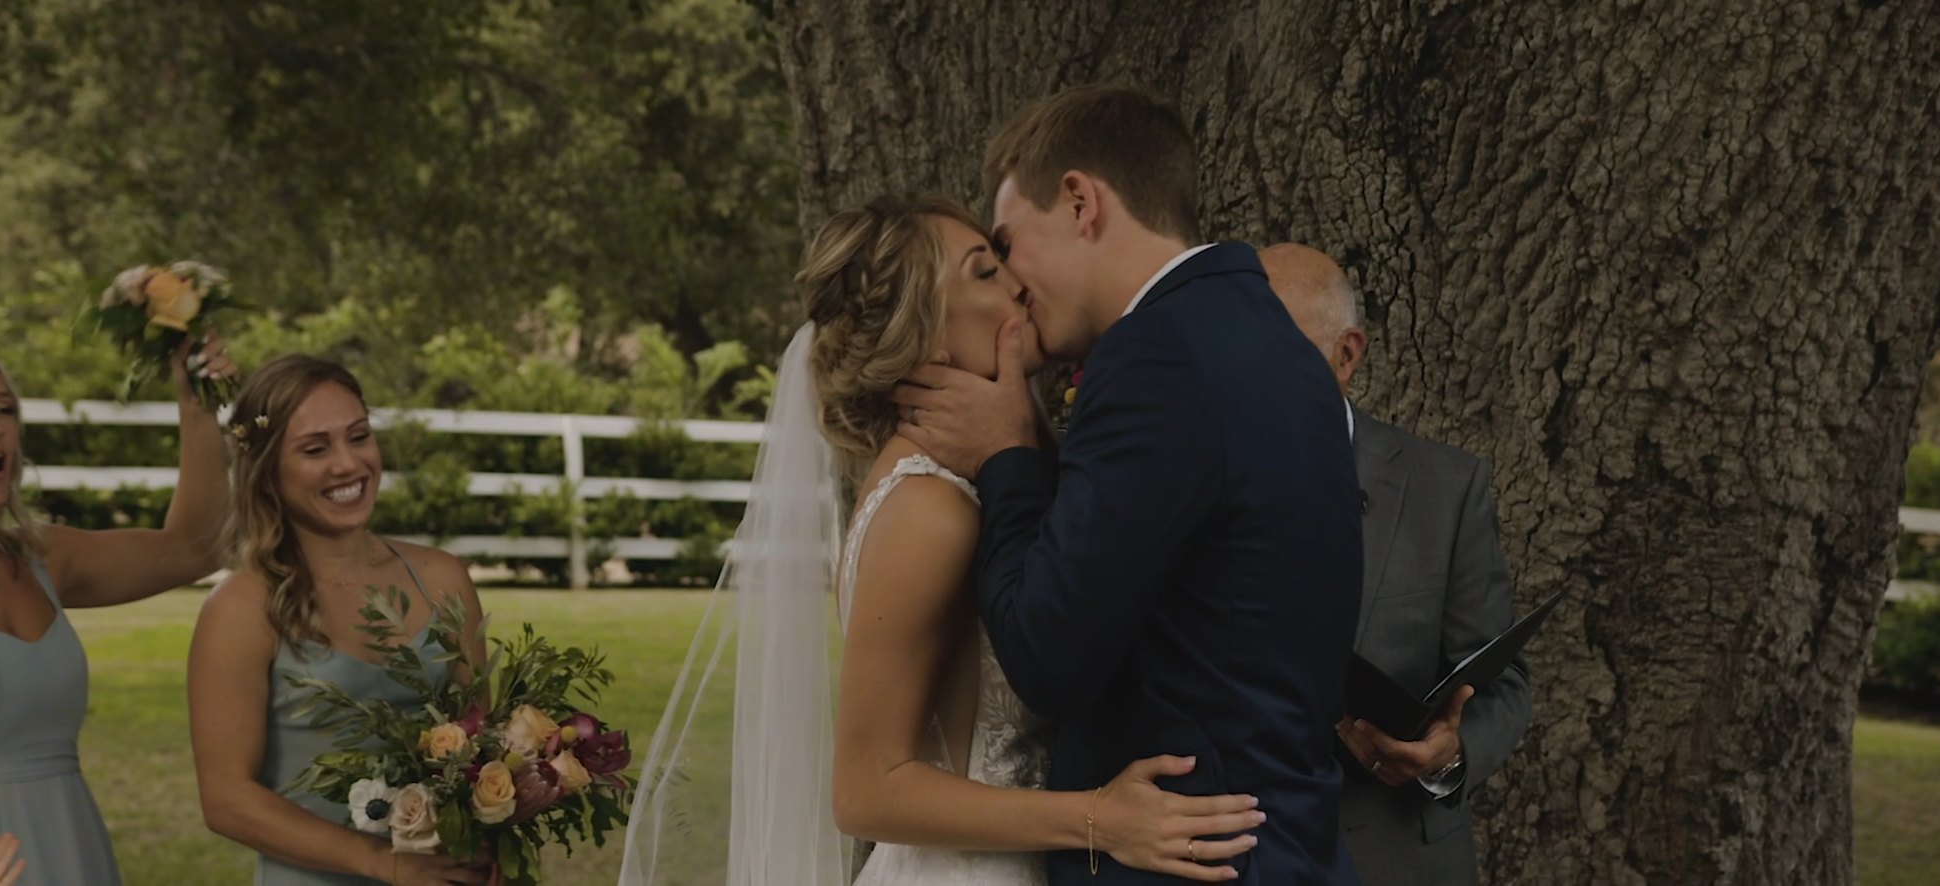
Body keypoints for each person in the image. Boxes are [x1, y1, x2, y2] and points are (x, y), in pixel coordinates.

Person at [616, 194, 1265, 886]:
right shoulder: (930, 509)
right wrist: (1098, 820)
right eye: (984, 272)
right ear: (923, 337)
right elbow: (866, 790)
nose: (1017, 283)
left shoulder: (969, 489)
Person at [887, 85, 1365, 884]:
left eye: (1008, 244)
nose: (1011, 281)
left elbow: (1047, 657)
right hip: (1286, 849)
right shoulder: (1276, 345)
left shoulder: (1156, 356)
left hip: (1189, 861)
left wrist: (1007, 454)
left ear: (1080, 202)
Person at [1260, 243, 1534, 886]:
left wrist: (1448, 752)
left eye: (1271, 349)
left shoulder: (1446, 486)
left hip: (1395, 861)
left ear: (1346, 354)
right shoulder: (1182, 484)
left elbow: (1503, 682)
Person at [0, 326, 236, 884]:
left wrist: (196, 405)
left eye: (5, 408)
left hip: (74, 851)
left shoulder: (44, 558)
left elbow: (198, 547)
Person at [187, 355, 494, 886]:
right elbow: (226, 800)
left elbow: (484, 749)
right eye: (315, 449)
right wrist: (383, 863)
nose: (348, 464)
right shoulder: (241, 609)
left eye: (358, 437)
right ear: (267, 473)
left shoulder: (442, 579)